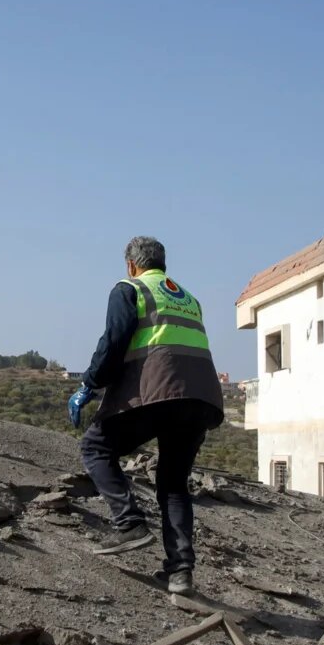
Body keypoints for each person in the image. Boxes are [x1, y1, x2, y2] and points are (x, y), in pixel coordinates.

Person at [68, 236, 224, 594]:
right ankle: (180, 572)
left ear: (131, 265)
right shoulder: (188, 299)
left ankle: (129, 523)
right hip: (201, 398)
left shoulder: (129, 288)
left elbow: (114, 340)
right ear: (162, 264)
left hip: (157, 392)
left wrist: (88, 386)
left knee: (96, 447)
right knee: (173, 484)